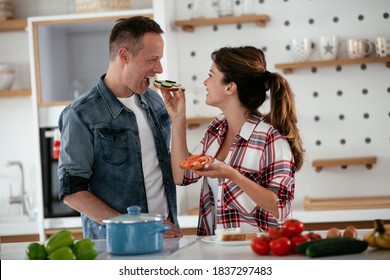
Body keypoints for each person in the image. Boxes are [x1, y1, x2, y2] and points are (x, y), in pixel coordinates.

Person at [57, 16, 182, 239]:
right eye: (152, 59)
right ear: (124, 55)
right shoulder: (80, 114)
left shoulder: (155, 103)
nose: (159, 69)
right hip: (117, 245)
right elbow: (72, 191)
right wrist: (134, 226)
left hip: (167, 237)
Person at [161, 46, 304, 236]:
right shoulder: (218, 127)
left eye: (211, 75)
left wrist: (233, 175)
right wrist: (178, 118)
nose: (205, 82)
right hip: (216, 251)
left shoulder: (270, 139)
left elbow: (281, 207)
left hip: (256, 254)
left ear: (230, 87)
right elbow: (181, 176)